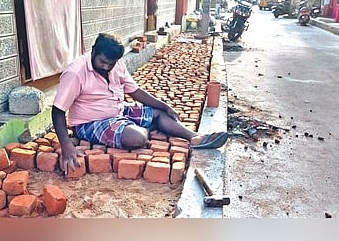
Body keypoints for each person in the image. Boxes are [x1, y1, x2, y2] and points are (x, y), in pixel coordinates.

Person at [52, 33, 228, 172]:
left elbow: (135, 92)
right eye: (102, 62)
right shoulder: (75, 72)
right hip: (90, 123)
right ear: (93, 51)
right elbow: (58, 111)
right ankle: (141, 128)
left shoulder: (117, 65)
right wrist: (66, 146)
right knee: (138, 137)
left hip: (118, 111)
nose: (106, 67)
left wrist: (165, 106)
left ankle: (194, 137)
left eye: (110, 64)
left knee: (159, 113)